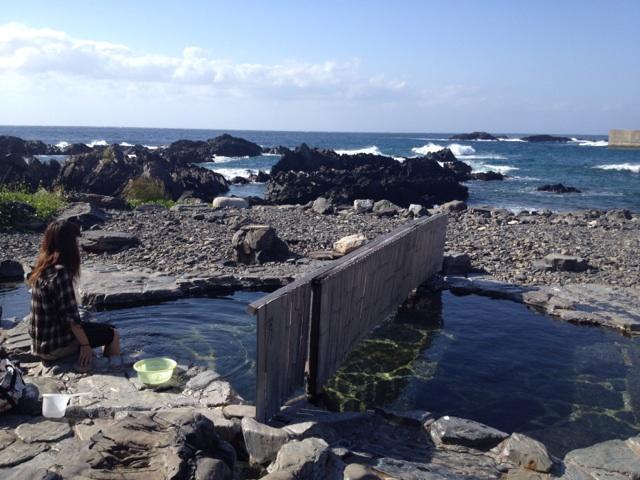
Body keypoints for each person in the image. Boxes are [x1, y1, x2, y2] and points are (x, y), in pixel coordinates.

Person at [28, 220, 122, 371]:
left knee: (103, 328)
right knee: (113, 334)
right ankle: (115, 368)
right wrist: (85, 345)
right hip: (55, 347)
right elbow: (72, 320)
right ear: (70, 244)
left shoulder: (42, 269)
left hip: (40, 344)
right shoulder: (61, 273)